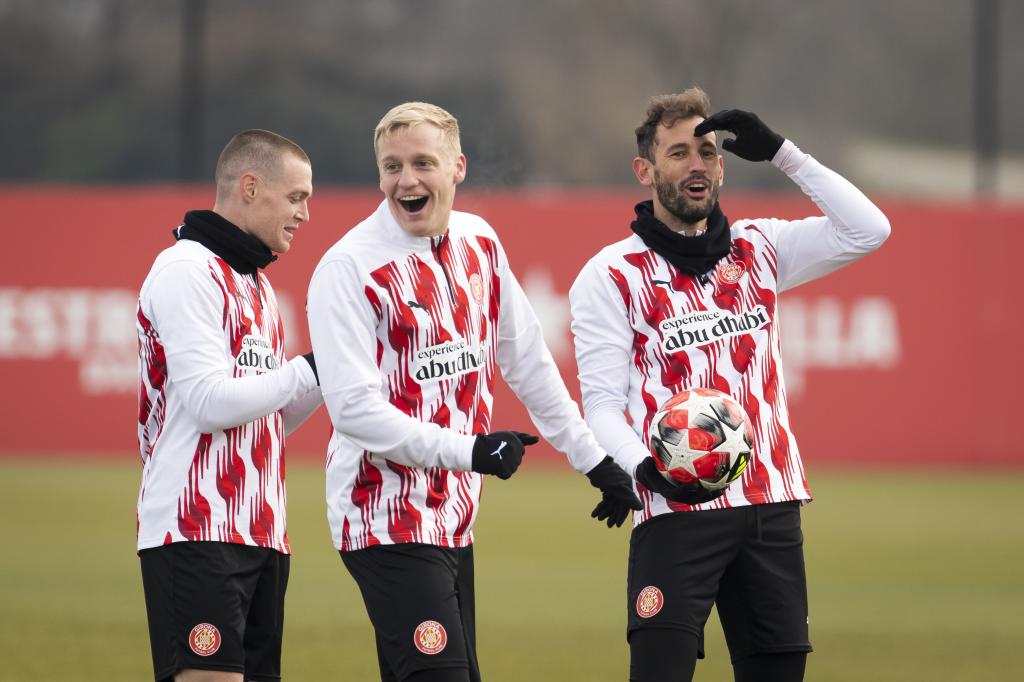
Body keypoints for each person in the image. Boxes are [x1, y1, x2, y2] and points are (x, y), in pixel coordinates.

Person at [306, 101, 641, 682]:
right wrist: (473, 451)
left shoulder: (480, 243)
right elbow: (355, 412)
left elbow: (528, 363)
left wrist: (595, 461)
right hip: (381, 515)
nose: (405, 180)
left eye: (422, 163)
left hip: (453, 518)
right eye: (391, 166)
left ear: (457, 168)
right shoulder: (347, 268)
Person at [569, 88, 890, 682]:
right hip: (675, 510)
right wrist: (647, 470)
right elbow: (602, 407)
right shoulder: (610, 275)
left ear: (722, 166)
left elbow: (868, 230)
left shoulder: (760, 247)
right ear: (645, 170)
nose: (698, 164)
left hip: (770, 505)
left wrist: (784, 155)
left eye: (709, 151)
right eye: (679, 153)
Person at [136, 129, 324, 682]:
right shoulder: (187, 269)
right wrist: (309, 368)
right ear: (249, 187)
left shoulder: (256, 283)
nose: (305, 214)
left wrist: (334, 370)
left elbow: (271, 416)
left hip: (263, 533)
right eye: (296, 198)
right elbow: (209, 403)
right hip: (195, 530)